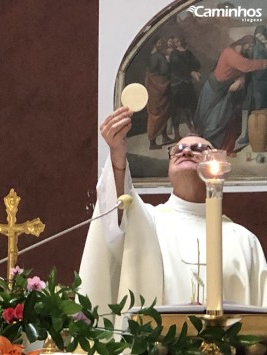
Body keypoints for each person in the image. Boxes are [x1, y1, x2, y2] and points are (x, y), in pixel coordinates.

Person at [79, 107, 267, 315]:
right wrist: (117, 156)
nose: (186, 152)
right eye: (177, 150)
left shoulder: (244, 240)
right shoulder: (147, 221)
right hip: (152, 347)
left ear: (219, 166)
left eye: (198, 149)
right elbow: (113, 213)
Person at [195, 35, 267, 149]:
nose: (250, 49)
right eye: (249, 46)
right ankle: (206, 147)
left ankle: (222, 148)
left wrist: (240, 79)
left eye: (252, 47)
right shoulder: (229, 53)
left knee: (226, 119)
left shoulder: (241, 54)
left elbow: (242, 71)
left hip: (226, 90)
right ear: (243, 43)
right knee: (212, 120)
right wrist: (264, 63)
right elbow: (246, 66)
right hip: (214, 89)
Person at [169, 35, 201, 140]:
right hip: (178, 85)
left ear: (182, 41)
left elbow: (197, 63)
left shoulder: (188, 52)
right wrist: (191, 71)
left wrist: (194, 70)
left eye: (178, 41)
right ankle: (178, 133)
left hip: (187, 84)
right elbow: (180, 66)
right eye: (175, 42)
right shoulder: (174, 54)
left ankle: (194, 130)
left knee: (192, 107)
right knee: (178, 109)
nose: (177, 43)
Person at [145, 36, 173, 150]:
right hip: (158, 88)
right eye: (159, 43)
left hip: (155, 88)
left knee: (163, 113)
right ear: (155, 44)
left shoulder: (153, 56)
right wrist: (168, 60)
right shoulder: (158, 56)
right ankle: (152, 142)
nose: (161, 45)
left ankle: (165, 136)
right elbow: (164, 70)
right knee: (157, 115)